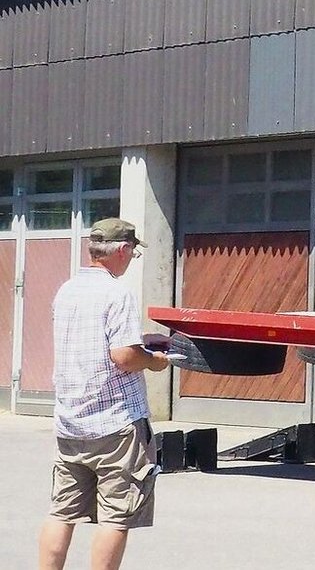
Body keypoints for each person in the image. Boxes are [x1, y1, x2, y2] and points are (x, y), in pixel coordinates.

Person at [38, 218, 170, 570]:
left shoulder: (67, 290)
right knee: (116, 516)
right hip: (116, 423)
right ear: (123, 249)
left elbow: (94, 341)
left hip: (71, 421)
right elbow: (124, 357)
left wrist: (140, 341)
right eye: (134, 252)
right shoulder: (117, 293)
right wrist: (155, 361)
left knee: (62, 511)